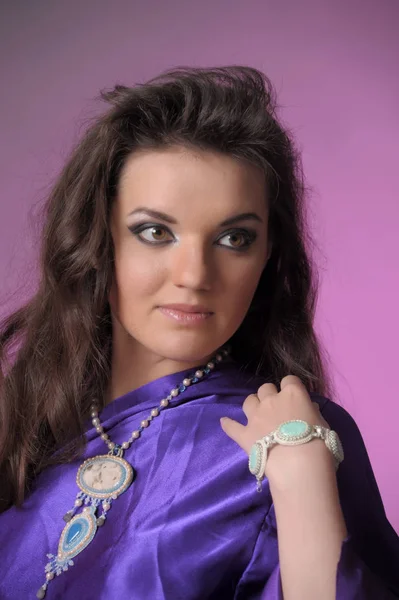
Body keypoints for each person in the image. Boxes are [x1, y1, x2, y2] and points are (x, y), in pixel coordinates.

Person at [0, 66, 398, 600]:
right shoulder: (29, 420)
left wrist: (302, 473)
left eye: (234, 238)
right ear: (97, 238)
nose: (194, 275)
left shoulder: (291, 437)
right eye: (155, 232)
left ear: (267, 256)